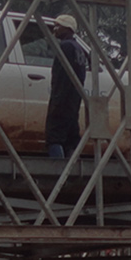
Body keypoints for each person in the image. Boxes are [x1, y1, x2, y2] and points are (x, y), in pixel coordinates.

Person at [44, 14, 89, 160]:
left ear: (68, 28)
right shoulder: (79, 48)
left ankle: (58, 171)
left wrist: (57, 101)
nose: (55, 29)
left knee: (54, 136)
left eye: (58, 26)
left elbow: (62, 77)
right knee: (70, 136)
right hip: (74, 100)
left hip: (62, 99)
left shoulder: (65, 47)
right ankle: (72, 167)